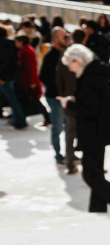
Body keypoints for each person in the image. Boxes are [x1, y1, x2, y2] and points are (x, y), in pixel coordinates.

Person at [61, 44, 110, 213]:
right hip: (99, 130)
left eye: (70, 64)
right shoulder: (94, 72)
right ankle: (97, 209)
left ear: (78, 60)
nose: (70, 68)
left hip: (94, 132)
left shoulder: (90, 77)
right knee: (96, 174)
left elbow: (89, 109)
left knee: (90, 175)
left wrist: (69, 104)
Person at [40, 27, 69, 163]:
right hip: (55, 97)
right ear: (55, 38)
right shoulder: (50, 55)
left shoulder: (65, 52)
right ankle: (58, 155)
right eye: (64, 36)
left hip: (67, 98)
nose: (67, 39)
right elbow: (43, 76)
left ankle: (70, 154)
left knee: (69, 126)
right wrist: (58, 92)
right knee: (57, 126)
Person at [56, 29, 82, 173]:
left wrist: (62, 95)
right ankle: (89, 163)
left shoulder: (64, 55)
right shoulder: (84, 55)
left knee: (70, 132)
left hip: (69, 98)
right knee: (83, 130)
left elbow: (58, 77)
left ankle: (70, 163)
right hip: (79, 99)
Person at [15, 34, 46, 123]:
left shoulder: (26, 51)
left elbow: (31, 67)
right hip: (27, 79)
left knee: (34, 99)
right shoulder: (27, 49)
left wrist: (32, 81)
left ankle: (48, 118)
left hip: (28, 80)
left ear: (21, 42)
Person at [0, 26, 27, 129]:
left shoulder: (2, 44)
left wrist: (2, 77)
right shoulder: (12, 42)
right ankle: (17, 119)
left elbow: (3, 62)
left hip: (4, 77)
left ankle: (21, 120)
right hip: (12, 75)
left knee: (12, 100)